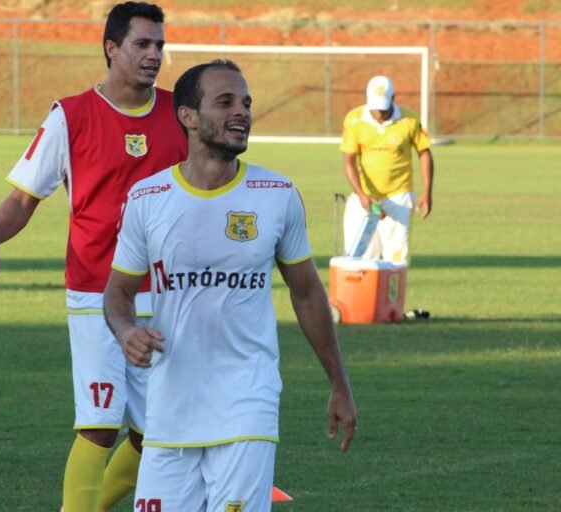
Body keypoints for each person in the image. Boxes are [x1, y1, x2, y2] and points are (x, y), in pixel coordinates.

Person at [103, 60, 357, 511]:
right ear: (188, 116)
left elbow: (307, 293)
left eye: (246, 103)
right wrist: (126, 332)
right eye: (225, 102)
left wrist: (339, 382)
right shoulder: (147, 199)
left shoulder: (276, 194)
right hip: (168, 410)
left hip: (246, 401)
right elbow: (117, 293)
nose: (242, 112)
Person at [0, 3, 187, 511]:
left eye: (159, 44)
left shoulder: (182, 113)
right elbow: (24, 197)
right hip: (95, 291)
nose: (154, 54)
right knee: (100, 424)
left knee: (160, 430)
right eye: (142, 44)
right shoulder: (71, 115)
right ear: (112, 48)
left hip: (167, 294)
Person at [340, 75, 434, 263]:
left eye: (383, 107)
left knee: (396, 259)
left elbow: (424, 153)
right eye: (375, 107)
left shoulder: (410, 120)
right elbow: (349, 160)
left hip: (398, 195)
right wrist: (361, 195)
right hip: (365, 198)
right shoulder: (354, 120)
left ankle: (391, 293)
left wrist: (427, 192)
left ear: (393, 98)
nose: (379, 113)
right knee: (360, 257)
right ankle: (364, 294)